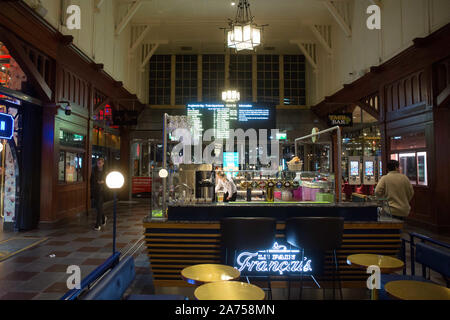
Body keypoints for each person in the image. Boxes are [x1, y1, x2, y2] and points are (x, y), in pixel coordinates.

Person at [91, 158, 107, 230]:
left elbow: (109, 179)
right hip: (95, 190)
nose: (99, 164)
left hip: (103, 190)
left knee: (99, 206)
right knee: (98, 207)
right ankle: (103, 217)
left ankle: (97, 224)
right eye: (98, 163)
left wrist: (104, 182)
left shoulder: (106, 170)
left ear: (103, 163)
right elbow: (91, 180)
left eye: (100, 163)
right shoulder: (94, 170)